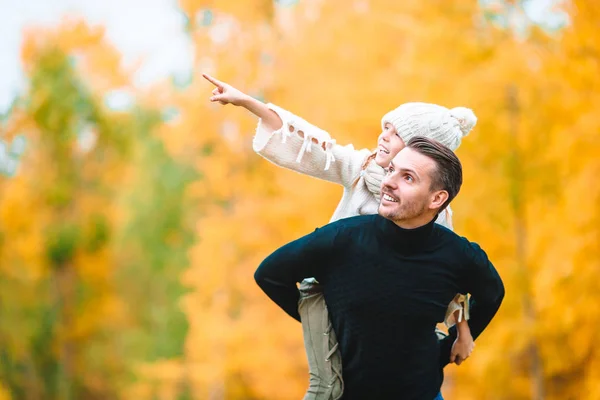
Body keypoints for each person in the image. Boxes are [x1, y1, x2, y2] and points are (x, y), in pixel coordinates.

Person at [203, 74, 476, 399]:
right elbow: (312, 145)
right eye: (385, 126)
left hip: (393, 313)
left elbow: (451, 280)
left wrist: (463, 332)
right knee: (328, 386)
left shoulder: (436, 213)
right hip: (337, 300)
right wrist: (249, 103)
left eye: (396, 132)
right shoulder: (360, 168)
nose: (383, 136)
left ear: (423, 151)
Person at [254, 137, 505, 400]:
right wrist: (324, 326)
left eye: (407, 178)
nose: (388, 182)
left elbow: (492, 294)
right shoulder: (342, 239)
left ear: (437, 198)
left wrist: (452, 344)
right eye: (391, 170)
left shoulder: (458, 254)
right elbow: (270, 274)